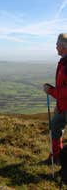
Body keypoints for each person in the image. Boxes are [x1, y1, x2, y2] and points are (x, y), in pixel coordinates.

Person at [43, 33, 67, 164]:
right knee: (54, 129)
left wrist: (50, 91)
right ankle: (56, 158)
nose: (55, 47)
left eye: (57, 45)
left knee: (55, 129)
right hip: (62, 106)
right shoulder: (63, 62)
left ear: (63, 46)